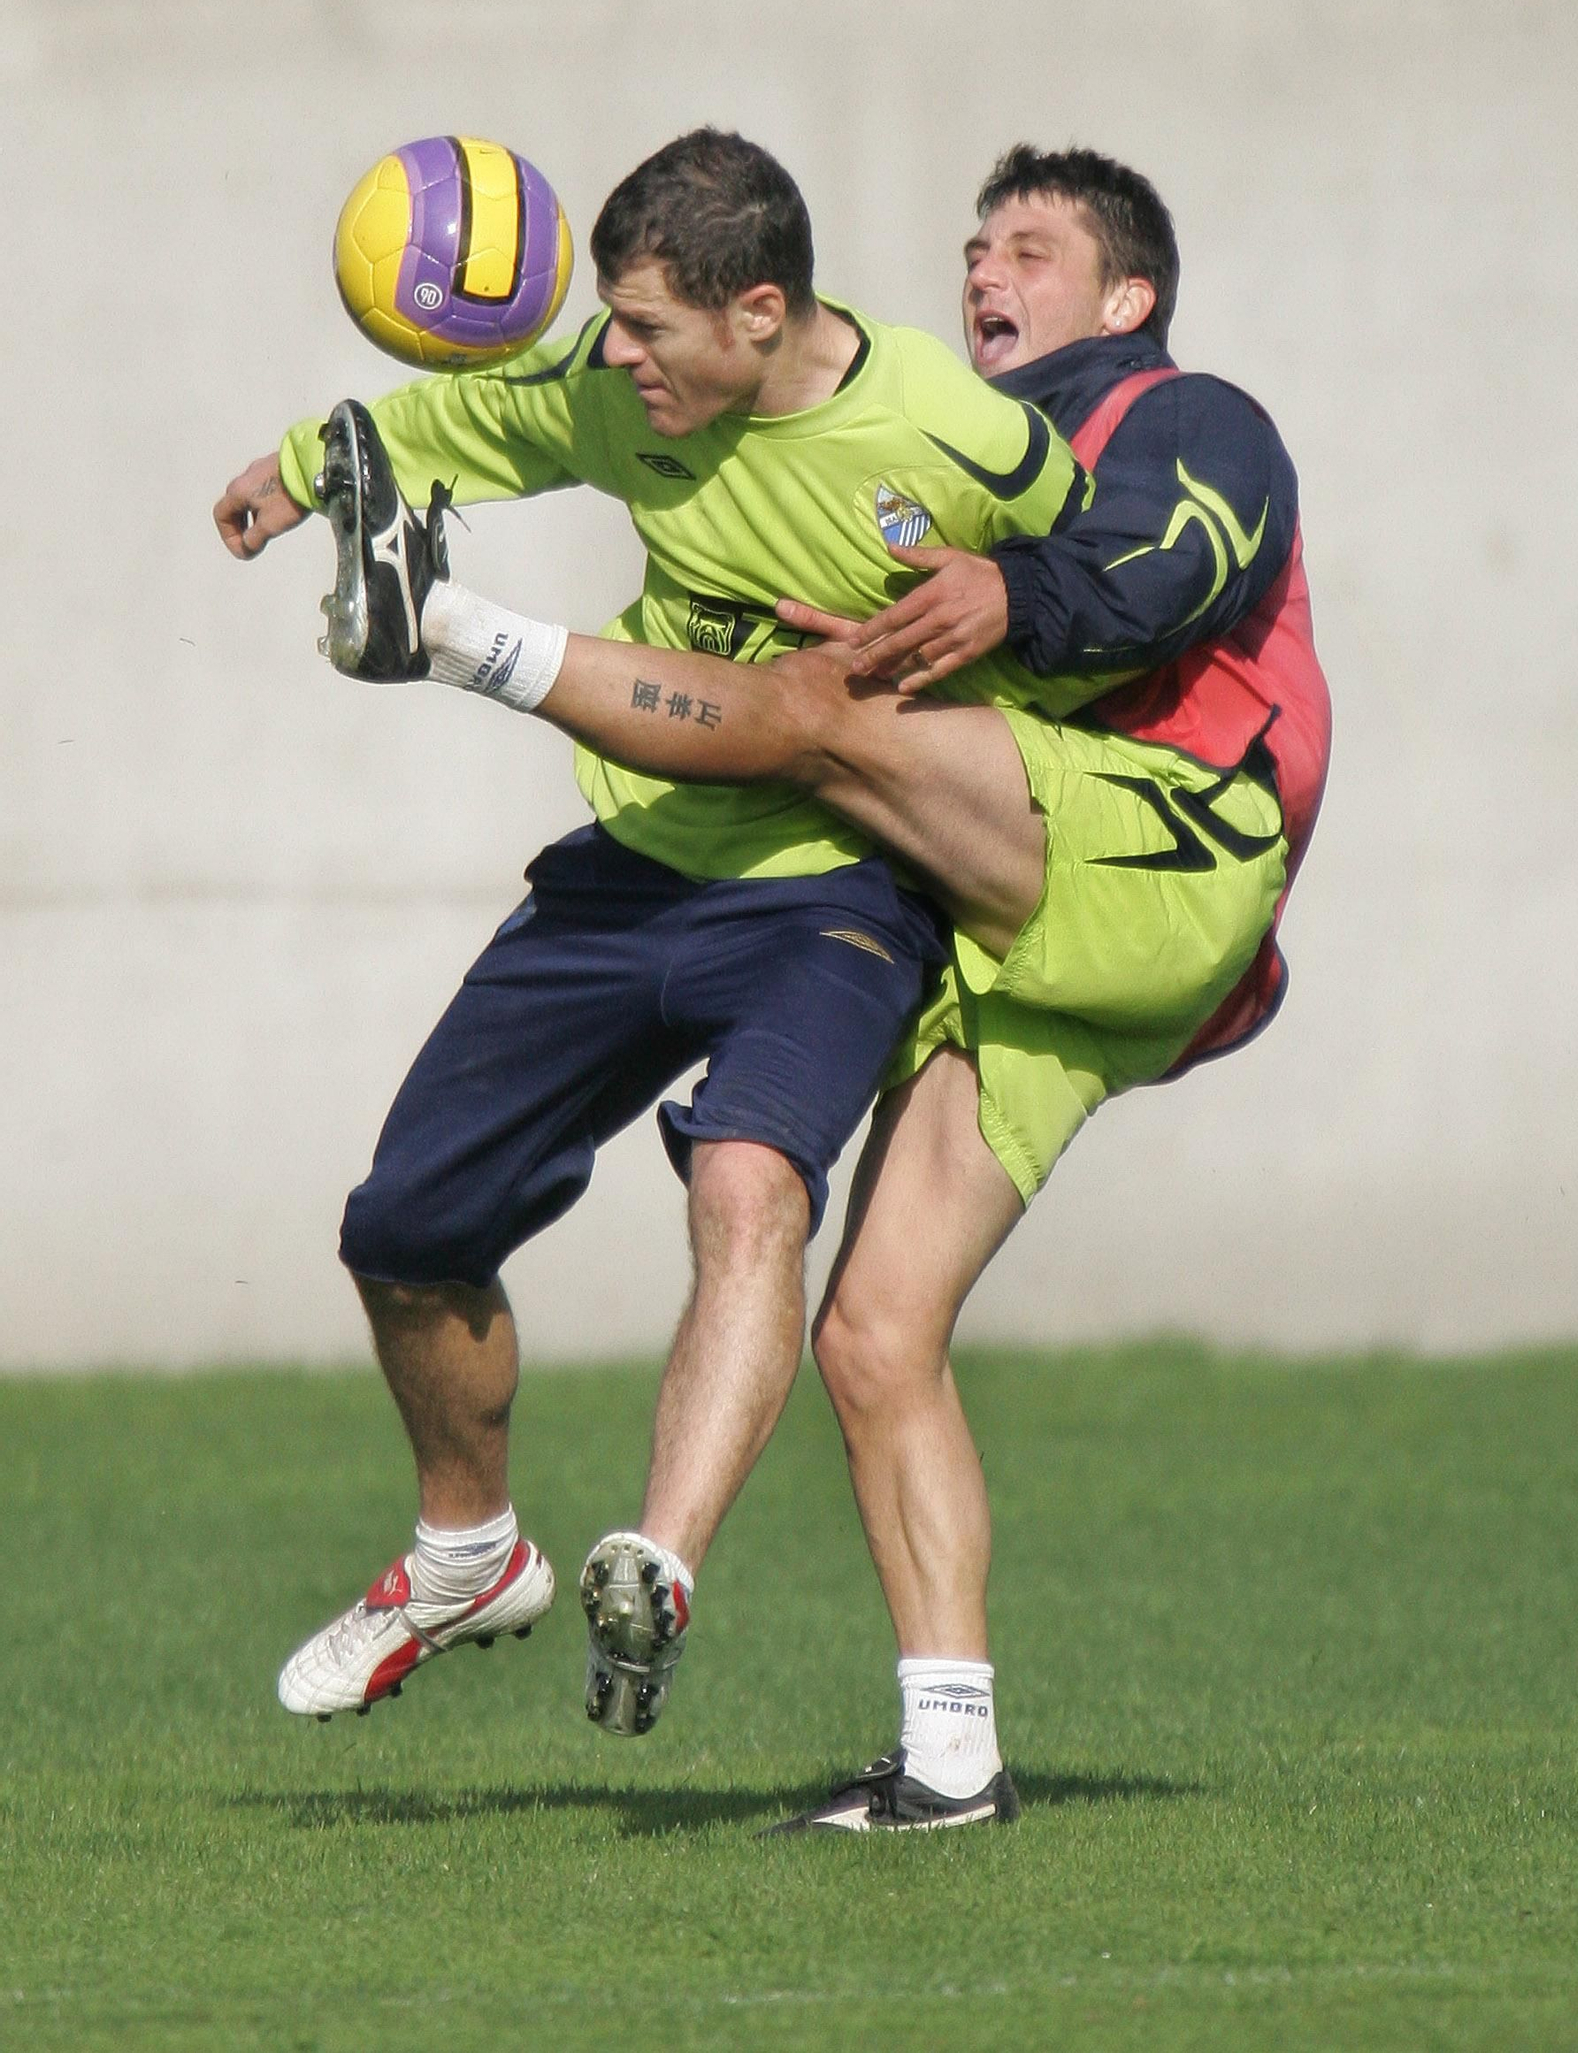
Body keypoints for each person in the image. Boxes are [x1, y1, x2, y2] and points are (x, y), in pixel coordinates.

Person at [311, 144, 1330, 1829]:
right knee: (874, 1333)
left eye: (1033, 247)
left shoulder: (1177, 411)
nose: (986, 270)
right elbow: (557, 424)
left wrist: (1016, 589)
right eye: (971, 244)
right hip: (1025, 929)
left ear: (1129, 298)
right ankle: (950, 1759)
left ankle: (448, 633)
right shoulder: (913, 443)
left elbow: (1180, 562)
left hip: (1170, 845)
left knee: (823, 712)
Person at [212, 128, 1128, 1747]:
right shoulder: (612, 393)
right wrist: (302, 464)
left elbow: (1100, 572)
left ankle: (663, 1560)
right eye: (611, 327)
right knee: (405, 1231)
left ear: (759, 314)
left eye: (644, 329)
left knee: (749, 1175)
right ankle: (465, 1549)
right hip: (634, 865)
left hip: (842, 888)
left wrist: (1016, 621)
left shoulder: (945, 424)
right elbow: (462, 416)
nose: (608, 355)